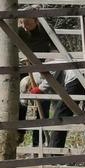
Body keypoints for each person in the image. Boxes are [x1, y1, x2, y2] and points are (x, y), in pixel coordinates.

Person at [16, 12, 55, 148]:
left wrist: (47, 62)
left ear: (36, 20)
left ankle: (37, 142)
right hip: (23, 68)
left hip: (42, 70)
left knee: (43, 104)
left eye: (28, 23)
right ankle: (19, 131)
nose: (25, 26)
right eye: (22, 23)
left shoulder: (46, 30)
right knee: (21, 100)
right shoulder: (19, 31)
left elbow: (55, 49)